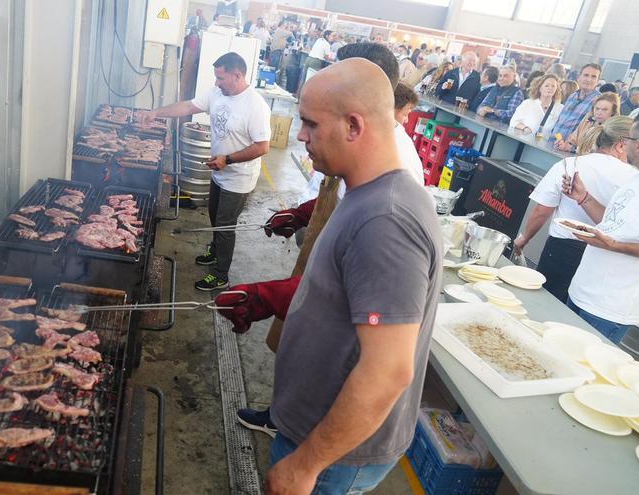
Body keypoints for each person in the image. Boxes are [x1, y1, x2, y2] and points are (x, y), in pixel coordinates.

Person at [220, 57, 442, 495]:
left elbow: (388, 370)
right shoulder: (364, 191)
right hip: (311, 428)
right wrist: (274, 298)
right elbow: (345, 294)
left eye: (310, 124)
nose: (299, 136)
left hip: (332, 456)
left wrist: (306, 465)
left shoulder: (387, 221)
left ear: (354, 126)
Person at [141, 53, 270, 291]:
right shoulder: (217, 94)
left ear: (237, 75)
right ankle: (215, 252)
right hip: (219, 170)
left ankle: (221, 274)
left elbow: (262, 146)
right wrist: (157, 112)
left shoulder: (255, 106)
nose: (216, 83)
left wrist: (228, 159)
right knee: (214, 216)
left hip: (239, 178)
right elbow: (188, 106)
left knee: (224, 226)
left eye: (220, 78)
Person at [514, 116, 639, 302]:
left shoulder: (571, 164)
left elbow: (542, 210)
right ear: (621, 145)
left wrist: (524, 239)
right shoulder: (635, 177)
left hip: (562, 248)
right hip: (603, 255)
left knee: (543, 303)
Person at [560, 119, 639, 343]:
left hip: (612, 306)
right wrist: (584, 198)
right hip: (584, 290)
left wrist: (614, 246)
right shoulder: (637, 177)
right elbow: (614, 222)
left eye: (628, 139)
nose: (624, 144)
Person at [551, 63, 602, 142]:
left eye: (593, 77)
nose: (588, 79)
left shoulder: (599, 101)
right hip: (553, 142)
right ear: (579, 77)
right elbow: (560, 121)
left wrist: (571, 146)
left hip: (570, 151)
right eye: (586, 75)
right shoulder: (573, 96)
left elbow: (593, 130)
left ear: (598, 81)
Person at [555, 92, 620, 152]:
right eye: (597, 108)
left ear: (613, 112)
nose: (599, 112)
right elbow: (572, 141)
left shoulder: (614, 131)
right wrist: (564, 146)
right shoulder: (588, 121)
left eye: (605, 109)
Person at [509, 73, 565, 138]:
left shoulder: (560, 108)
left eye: (553, 86)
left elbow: (559, 131)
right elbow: (513, 122)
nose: (550, 88)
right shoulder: (528, 103)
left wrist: (559, 139)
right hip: (525, 142)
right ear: (539, 88)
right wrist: (525, 128)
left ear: (556, 89)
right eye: (546, 86)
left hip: (544, 146)